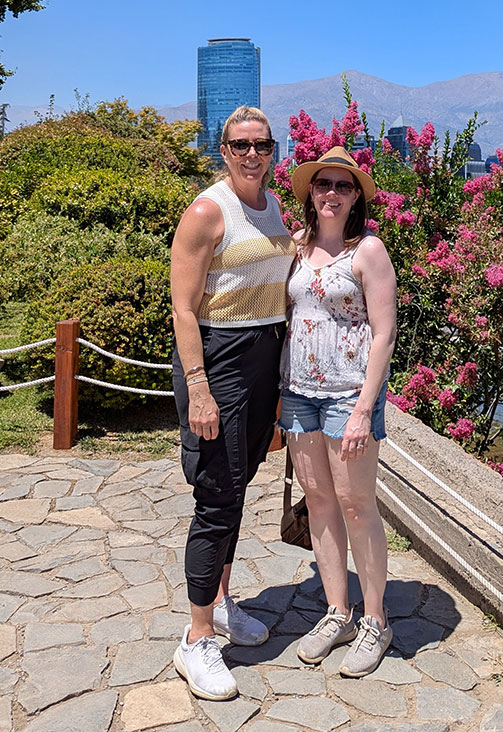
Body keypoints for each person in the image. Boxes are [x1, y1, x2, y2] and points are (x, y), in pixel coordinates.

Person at [170, 106, 295, 700]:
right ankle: (195, 641)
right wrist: (199, 388)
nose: (252, 154)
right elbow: (184, 309)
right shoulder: (206, 211)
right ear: (223, 150)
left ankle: (220, 604)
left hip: (264, 359)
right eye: (241, 145)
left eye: (262, 144)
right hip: (219, 361)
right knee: (216, 498)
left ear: (274, 150)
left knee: (239, 487)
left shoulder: (272, 208)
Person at [280, 146, 397, 677]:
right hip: (299, 392)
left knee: (357, 505)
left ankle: (375, 619)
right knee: (320, 501)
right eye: (323, 184)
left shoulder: (367, 251)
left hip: (349, 394)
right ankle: (337, 612)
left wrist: (363, 408)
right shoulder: (297, 247)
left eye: (343, 186)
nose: (331, 193)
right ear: (311, 191)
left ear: (356, 197)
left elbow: (383, 333)